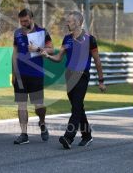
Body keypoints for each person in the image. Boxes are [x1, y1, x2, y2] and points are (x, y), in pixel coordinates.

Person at [41, 11, 106, 149]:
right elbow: (59, 58)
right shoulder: (67, 39)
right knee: (78, 107)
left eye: (69, 21)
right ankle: (87, 135)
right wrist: (46, 55)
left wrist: (101, 80)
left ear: (77, 23)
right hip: (69, 75)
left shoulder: (90, 39)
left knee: (76, 107)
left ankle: (68, 137)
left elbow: (98, 61)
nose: (67, 23)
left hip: (82, 76)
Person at [12, 8, 54, 144]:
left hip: (36, 74)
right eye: (21, 21)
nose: (23, 23)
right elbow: (15, 54)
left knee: (39, 106)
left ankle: (42, 122)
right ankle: (24, 134)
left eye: (25, 21)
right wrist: (14, 73)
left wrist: (38, 49)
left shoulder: (42, 32)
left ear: (31, 18)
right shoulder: (17, 33)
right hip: (21, 75)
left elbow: (51, 49)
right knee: (21, 105)